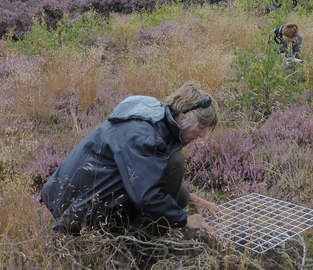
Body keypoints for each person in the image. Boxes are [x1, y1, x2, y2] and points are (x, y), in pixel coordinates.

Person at [41, 81, 220, 236]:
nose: (203, 135)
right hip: (78, 207)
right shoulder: (143, 135)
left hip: (78, 194)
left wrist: (192, 198)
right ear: (182, 118)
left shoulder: (157, 120)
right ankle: (146, 245)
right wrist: (184, 220)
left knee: (180, 195)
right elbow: (147, 194)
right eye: (201, 127)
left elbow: (147, 175)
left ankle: (147, 228)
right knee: (175, 163)